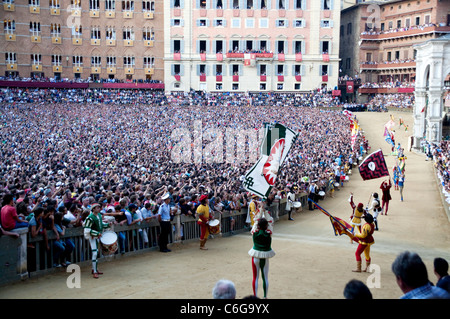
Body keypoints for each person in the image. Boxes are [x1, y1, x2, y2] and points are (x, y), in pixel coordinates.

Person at [248, 218, 275, 299]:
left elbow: (255, 224)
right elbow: (271, 223)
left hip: (255, 255)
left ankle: (255, 296)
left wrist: (260, 210)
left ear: (258, 225)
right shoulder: (269, 233)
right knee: (265, 278)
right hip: (264, 256)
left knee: (255, 277)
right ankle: (265, 296)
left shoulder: (254, 233)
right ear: (266, 225)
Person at [83, 203, 111, 278]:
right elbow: (87, 229)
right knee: (95, 253)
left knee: (96, 253)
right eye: (97, 207)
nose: (99, 209)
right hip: (93, 237)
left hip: (97, 236)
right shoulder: (90, 217)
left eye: (99, 207)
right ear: (94, 209)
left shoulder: (98, 215)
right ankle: (94, 271)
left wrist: (108, 225)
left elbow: (100, 225)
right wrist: (96, 233)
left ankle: (94, 269)